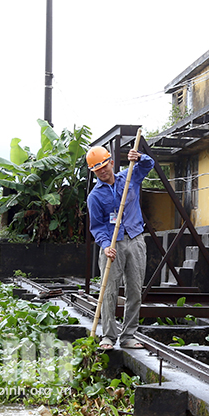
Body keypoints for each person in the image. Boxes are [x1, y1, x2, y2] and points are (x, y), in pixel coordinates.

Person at [86, 144, 154, 351]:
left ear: (111, 163)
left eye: (104, 166)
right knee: (109, 292)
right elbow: (97, 226)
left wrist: (139, 156)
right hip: (112, 245)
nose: (102, 171)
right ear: (94, 172)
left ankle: (129, 335)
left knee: (134, 289)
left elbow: (148, 164)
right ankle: (108, 335)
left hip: (135, 239)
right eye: (97, 169)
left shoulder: (130, 176)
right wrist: (106, 246)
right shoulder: (94, 196)